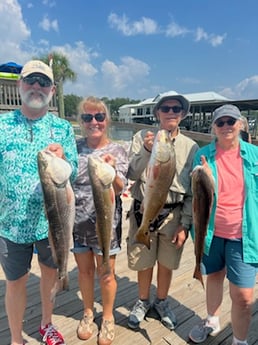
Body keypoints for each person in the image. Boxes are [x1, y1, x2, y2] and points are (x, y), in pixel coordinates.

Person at [0, 60, 78, 345]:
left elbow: (77, 170)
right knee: (15, 282)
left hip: (52, 223)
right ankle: (15, 338)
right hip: (10, 223)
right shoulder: (1, 124)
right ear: (20, 85)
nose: (36, 87)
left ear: (53, 90)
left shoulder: (62, 128)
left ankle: (46, 324)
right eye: (30, 80)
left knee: (49, 274)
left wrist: (65, 158)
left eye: (43, 82)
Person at [126, 93, 199, 330]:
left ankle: (162, 301)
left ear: (182, 114)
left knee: (167, 263)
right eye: (165, 108)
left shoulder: (191, 146)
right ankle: (143, 300)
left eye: (176, 109)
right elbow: (131, 174)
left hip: (173, 214)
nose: (170, 112)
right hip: (143, 210)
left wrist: (185, 223)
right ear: (157, 113)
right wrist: (147, 151)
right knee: (144, 262)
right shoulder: (141, 137)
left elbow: (192, 191)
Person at [188, 104, 258, 345]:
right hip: (211, 232)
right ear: (214, 128)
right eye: (221, 123)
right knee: (215, 277)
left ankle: (239, 341)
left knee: (244, 297)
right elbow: (198, 196)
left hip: (244, 235)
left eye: (231, 122)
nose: (226, 126)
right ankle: (212, 320)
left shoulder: (254, 155)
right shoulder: (203, 155)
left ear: (240, 124)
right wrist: (204, 175)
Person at [72, 96, 129, 345]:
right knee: (84, 272)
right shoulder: (73, 147)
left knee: (106, 273)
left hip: (106, 225)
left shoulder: (117, 150)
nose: (94, 121)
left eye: (99, 116)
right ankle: (87, 312)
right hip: (78, 223)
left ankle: (107, 317)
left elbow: (120, 187)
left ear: (107, 120)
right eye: (87, 117)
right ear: (81, 122)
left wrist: (113, 170)